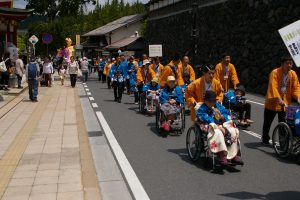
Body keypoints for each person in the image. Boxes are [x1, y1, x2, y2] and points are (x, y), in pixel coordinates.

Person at [196, 91, 243, 166]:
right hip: (209, 124)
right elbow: (203, 117)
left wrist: (223, 116)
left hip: (221, 123)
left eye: (213, 101)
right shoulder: (202, 108)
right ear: (205, 100)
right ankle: (222, 155)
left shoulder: (217, 105)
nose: (212, 103)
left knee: (233, 130)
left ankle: (234, 154)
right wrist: (215, 123)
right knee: (218, 132)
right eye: (210, 101)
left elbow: (226, 112)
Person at [262, 56, 300, 144]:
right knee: (267, 122)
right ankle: (265, 138)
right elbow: (273, 87)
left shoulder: (293, 74)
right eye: (287, 63)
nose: (289, 65)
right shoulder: (275, 73)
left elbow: (296, 88)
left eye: (291, 63)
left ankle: (282, 143)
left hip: (285, 103)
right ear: (282, 64)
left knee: (283, 123)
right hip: (273, 102)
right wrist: (279, 99)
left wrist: (298, 98)